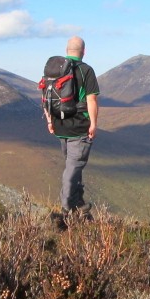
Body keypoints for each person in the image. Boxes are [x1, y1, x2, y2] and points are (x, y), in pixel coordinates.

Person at [44, 36, 100, 216]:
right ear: (84, 51)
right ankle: (65, 210)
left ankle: (78, 203)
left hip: (60, 125)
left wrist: (50, 121)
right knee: (73, 167)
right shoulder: (86, 70)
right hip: (79, 127)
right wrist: (93, 124)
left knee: (73, 166)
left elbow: (47, 98)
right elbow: (91, 100)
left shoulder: (54, 70)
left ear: (67, 49)